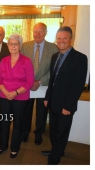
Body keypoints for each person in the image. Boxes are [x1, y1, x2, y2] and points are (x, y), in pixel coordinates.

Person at [42, 26, 87, 165]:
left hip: (66, 104)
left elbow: (78, 85)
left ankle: (54, 159)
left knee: (62, 132)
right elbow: (52, 80)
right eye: (59, 38)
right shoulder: (55, 56)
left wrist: (69, 106)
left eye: (65, 38)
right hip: (53, 101)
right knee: (53, 130)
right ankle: (57, 150)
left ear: (71, 40)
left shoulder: (80, 58)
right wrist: (47, 97)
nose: (61, 41)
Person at [0, 33, 34, 158]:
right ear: (8, 45)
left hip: (21, 97)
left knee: (18, 123)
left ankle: (15, 148)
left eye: (15, 44)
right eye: (11, 43)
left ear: (20, 45)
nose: (13, 46)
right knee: (4, 122)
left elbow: (30, 82)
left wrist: (15, 93)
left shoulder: (26, 61)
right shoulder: (4, 60)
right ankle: (3, 145)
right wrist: (6, 93)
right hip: (4, 96)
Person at [20, 22, 58, 145]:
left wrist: (40, 81)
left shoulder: (53, 48)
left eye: (41, 31)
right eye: (35, 31)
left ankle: (38, 134)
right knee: (26, 111)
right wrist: (30, 81)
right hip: (27, 85)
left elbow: (54, 69)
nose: (38, 34)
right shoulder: (25, 46)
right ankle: (25, 132)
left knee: (41, 112)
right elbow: (21, 66)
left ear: (45, 33)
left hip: (44, 85)